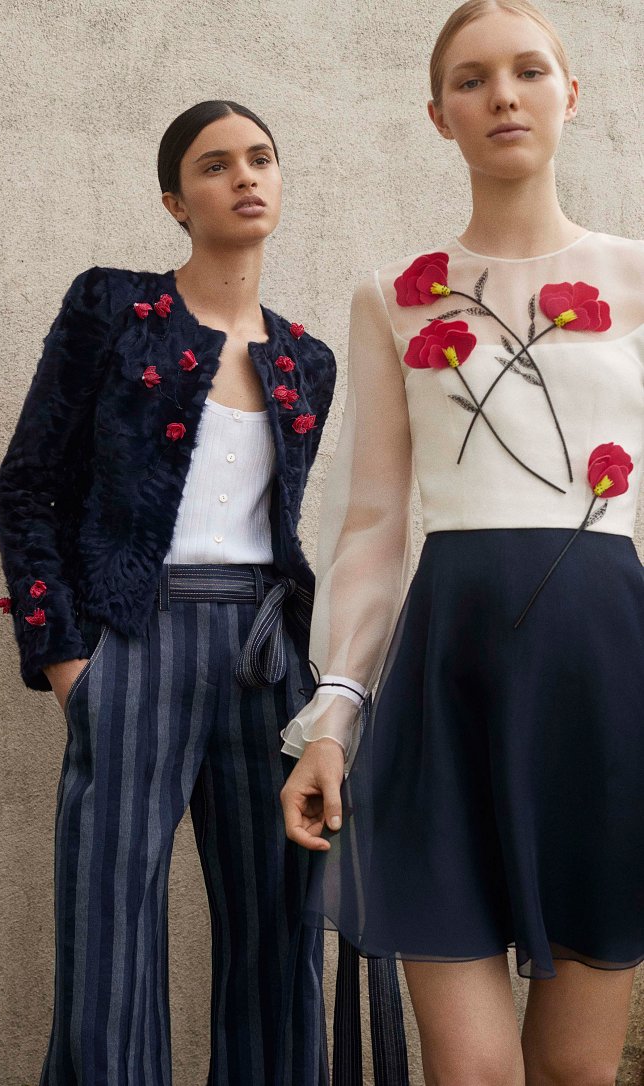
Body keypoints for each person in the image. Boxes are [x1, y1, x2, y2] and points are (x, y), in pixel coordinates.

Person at [279, 3, 644, 1083]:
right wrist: (334, 716)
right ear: (438, 114)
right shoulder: (391, 296)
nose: (503, 96)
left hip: (608, 686)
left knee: (576, 1073)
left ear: (569, 95)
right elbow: (372, 523)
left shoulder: (640, 280)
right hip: (446, 685)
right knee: (472, 1070)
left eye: (528, 71)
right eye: (472, 79)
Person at [0, 100, 336, 1086]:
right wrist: (69, 662)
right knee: (109, 932)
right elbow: (26, 487)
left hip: (264, 652)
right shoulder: (111, 309)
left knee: (279, 927)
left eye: (260, 158)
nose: (245, 177)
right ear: (174, 201)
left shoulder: (306, 360)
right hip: (133, 639)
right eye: (215, 165)